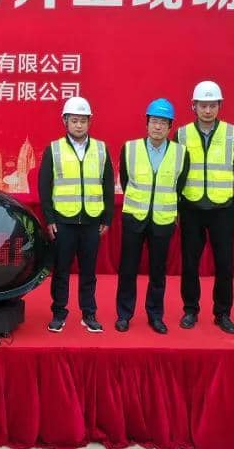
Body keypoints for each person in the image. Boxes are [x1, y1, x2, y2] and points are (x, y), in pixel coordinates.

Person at [174, 80, 234, 334]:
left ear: (219, 106)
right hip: (191, 207)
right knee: (190, 263)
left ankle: (222, 313)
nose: (207, 110)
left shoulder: (232, 133)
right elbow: (175, 173)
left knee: (225, 264)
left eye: (212, 105)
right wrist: (174, 207)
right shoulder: (182, 134)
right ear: (193, 106)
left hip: (223, 208)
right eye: (203, 105)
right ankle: (190, 310)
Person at [37, 96, 115, 333]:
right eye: (74, 120)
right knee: (61, 270)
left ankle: (89, 314)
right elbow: (44, 186)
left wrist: (107, 218)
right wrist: (50, 219)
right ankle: (59, 313)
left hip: (91, 220)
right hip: (63, 221)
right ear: (65, 121)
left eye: (83, 120)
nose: (79, 125)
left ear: (90, 121)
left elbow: (108, 185)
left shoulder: (100, 149)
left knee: (89, 271)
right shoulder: (54, 149)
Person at [116, 98, 189, 334]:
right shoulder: (130, 148)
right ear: (147, 123)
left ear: (170, 127)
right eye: (154, 121)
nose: (158, 126)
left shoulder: (180, 153)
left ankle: (155, 315)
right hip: (135, 218)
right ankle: (124, 314)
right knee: (128, 270)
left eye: (163, 123)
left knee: (158, 272)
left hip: (163, 220)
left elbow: (179, 185)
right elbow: (125, 181)